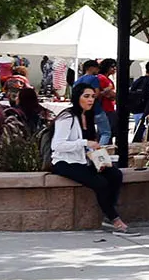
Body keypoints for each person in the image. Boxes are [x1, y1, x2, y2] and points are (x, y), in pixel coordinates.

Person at [50, 83, 130, 233]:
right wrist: (85, 143)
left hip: (84, 160)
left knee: (115, 174)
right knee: (100, 183)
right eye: (86, 96)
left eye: (93, 96)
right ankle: (114, 219)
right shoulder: (67, 117)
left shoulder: (88, 115)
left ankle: (108, 213)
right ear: (77, 97)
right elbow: (58, 145)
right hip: (64, 162)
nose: (90, 100)